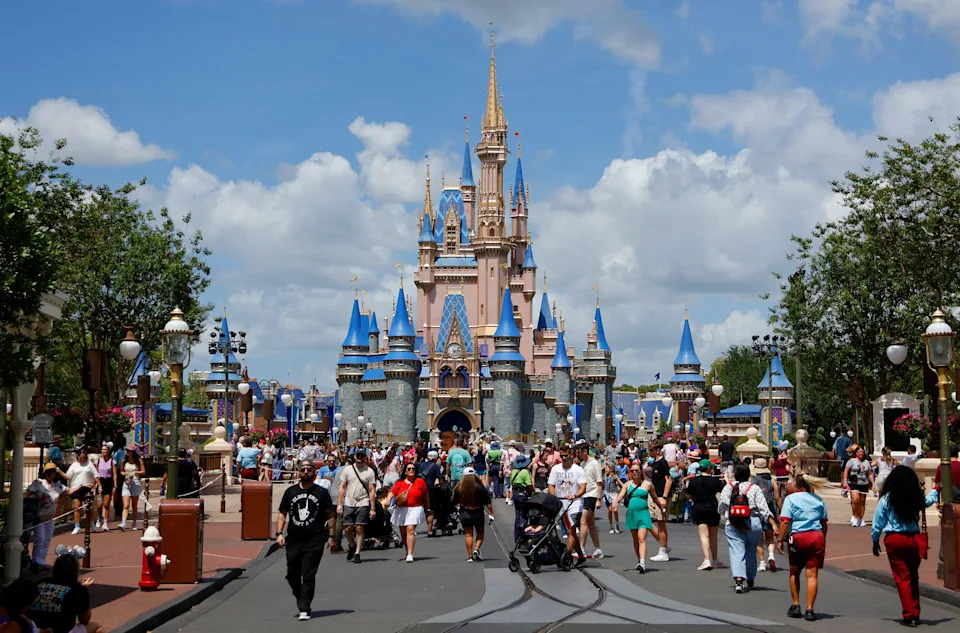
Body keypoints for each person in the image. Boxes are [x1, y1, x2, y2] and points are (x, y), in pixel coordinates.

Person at [871, 465, 940, 627]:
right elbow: (927, 501)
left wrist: (875, 540)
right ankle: (915, 610)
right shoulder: (914, 497)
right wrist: (935, 490)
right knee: (913, 575)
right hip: (913, 539)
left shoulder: (887, 499)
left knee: (902, 577)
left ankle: (909, 614)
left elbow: (878, 521)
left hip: (895, 539)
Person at [276, 460, 335, 621]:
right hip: (294, 540)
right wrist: (279, 533)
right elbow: (282, 513)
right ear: (299, 472)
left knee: (308, 573)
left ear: (314, 473)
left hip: (315, 540)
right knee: (292, 574)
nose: (306, 472)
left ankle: (305, 607)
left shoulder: (321, 493)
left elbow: (330, 514)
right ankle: (301, 597)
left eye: (309, 469)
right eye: (303, 469)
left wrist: (331, 536)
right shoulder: (290, 492)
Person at [718, 464, 778, 594]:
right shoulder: (754, 488)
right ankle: (750, 577)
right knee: (751, 549)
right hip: (753, 522)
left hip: (734, 522)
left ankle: (739, 580)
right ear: (748, 475)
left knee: (736, 550)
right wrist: (773, 524)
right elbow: (763, 509)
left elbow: (721, 507)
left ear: (735, 475)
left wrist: (727, 515)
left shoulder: (728, 487)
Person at [778, 473, 828, 622]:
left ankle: (795, 604)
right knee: (812, 574)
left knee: (794, 570)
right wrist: (823, 538)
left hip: (799, 536)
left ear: (797, 485)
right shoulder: (818, 500)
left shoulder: (791, 499)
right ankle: (810, 609)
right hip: (816, 536)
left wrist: (780, 539)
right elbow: (824, 522)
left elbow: (785, 521)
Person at [31, 553, 101, 633]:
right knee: (97, 627)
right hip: (63, 630)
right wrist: (84, 595)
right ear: (75, 571)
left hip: (35, 629)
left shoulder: (41, 582)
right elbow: (84, 620)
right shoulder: (79, 590)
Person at [612, 460, 657, 572]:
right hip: (632, 515)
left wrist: (662, 508)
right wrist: (615, 502)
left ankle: (642, 562)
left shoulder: (648, 485)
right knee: (635, 539)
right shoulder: (627, 485)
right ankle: (639, 559)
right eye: (632, 471)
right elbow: (620, 496)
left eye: (636, 470)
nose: (634, 472)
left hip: (643, 514)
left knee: (641, 538)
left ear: (641, 472)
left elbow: (655, 498)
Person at [548, 447, 588, 566]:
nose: (564, 458)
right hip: (561, 502)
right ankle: (581, 556)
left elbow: (582, 488)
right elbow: (551, 485)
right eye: (562, 456)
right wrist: (553, 495)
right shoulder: (555, 469)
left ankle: (567, 555)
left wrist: (574, 495)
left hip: (575, 503)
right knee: (572, 532)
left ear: (571, 455)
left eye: (566, 455)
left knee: (571, 529)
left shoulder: (578, 470)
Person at [337, 451, 377, 564]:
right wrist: (339, 504)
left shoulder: (369, 471)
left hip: (363, 501)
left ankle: (357, 552)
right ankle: (352, 545)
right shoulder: (347, 470)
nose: (359, 458)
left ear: (365, 458)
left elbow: (371, 490)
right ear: (354, 457)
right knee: (347, 527)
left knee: (359, 527)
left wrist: (372, 508)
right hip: (349, 501)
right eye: (358, 456)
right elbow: (342, 487)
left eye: (362, 456)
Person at [384, 462, 430, 562]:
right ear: (405, 471)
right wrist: (387, 500)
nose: (411, 470)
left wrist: (428, 509)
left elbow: (426, 496)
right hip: (402, 509)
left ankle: (410, 554)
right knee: (403, 532)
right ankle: (407, 548)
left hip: (416, 508)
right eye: (409, 469)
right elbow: (392, 492)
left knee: (410, 529)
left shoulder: (420, 482)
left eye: (413, 468)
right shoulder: (399, 483)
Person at [26, 464, 67, 570]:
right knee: (40, 539)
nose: (49, 474)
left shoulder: (57, 485)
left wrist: (82, 486)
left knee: (47, 540)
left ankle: (41, 560)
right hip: (39, 517)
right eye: (47, 471)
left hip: (50, 517)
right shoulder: (39, 483)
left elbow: (69, 489)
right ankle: (36, 561)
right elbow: (27, 493)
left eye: (52, 472)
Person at [686, 459, 725, 570]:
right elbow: (723, 490)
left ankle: (706, 560)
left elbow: (689, 495)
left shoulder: (693, 481)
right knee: (713, 536)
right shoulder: (715, 481)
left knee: (704, 535)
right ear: (708, 468)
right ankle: (715, 559)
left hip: (699, 508)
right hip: (713, 508)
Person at [451, 467, 494, 562]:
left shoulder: (459, 488)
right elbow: (488, 502)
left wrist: (456, 508)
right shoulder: (479, 487)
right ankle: (477, 548)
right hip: (478, 512)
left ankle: (470, 556)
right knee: (480, 532)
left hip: (465, 512)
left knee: (468, 535)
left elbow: (453, 501)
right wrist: (492, 513)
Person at [750, 457, 780, 572]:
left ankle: (762, 563)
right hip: (770, 509)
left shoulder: (752, 481)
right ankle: (771, 555)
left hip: (756, 511)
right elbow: (777, 497)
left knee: (759, 539)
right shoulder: (771, 480)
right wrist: (781, 510)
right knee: (770, 537)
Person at [577, 444, 604, 559]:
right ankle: (598, 549)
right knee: (591, 523)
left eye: (579, 452)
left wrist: (599, 499)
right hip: (584, 495)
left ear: (585, 451)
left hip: (591, 495)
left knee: (583, 521)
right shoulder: (583, 464)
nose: (578, 454)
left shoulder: (594, 463)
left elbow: (599, 482)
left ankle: (581, 549)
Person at [647, 442, 672, 562]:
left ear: (657, 450)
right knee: (647, 520)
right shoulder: (655, 463)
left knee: (661, 523)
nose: (649, 453)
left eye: (651, 450)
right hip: (655, 495)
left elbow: (668, 480)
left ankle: (663, 551)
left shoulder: (662, 462)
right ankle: (664, 545)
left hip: (661, 496)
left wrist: (664, 497)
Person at [65, 450, 99, 536]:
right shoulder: (74, 465)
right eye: (80, 458)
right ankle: (77, 526)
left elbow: (96, 476)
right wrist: (59, 472)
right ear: (78, 457)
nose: (82, 459)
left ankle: (92, 523)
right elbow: (68, 476)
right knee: (77, 506)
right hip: (76, 488)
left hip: (87, 488)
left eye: (84, 458)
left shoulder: (90, 464)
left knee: (89, 507)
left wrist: (99, 486)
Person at [842, 445, 874, 527]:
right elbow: (846, 470)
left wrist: (873, 484)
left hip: (864, 483)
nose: (861, 453)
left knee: (862, 502)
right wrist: (845, 481)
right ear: (856, 453)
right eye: (860, 452)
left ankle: (860, 518)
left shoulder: (866, 462)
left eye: (863, 452)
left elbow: (870, 473)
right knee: (855, 500)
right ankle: (855, 517)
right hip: (854, 483)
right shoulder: (851, 461)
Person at [119, 447, 146, 531]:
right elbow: (121, 471)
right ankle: (123, 523)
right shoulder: (124, 461)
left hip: (135, 483)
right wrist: (125, 474)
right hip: (126, 483)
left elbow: (143, 471)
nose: (128, 452)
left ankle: (134, 522)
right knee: (126, 505)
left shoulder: (138, 461)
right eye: (127, 451)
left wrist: (135, 472)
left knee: (134, 505)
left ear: (133, 452)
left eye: (129, 451)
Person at [418, 451, 444, 537]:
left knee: (420, 509)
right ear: (435, 458)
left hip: (420, 489)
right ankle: (430, 530)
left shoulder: (421, 465)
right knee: (430, 510)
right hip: (429, 489)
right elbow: (440, 479)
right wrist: (441, 486)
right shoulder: (435, 466)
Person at [509, 455, 534, 542]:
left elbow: (511, 483)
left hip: (516, 493)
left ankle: (516, 537)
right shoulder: (525, 472)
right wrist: (533, 491)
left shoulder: (513, 471)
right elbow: (529, 484)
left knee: (517, 515)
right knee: (524, 515)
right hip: (523, 494)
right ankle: (523, 536)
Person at [93, 445, 116, 532]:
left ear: (108, 451)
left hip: (109, 483)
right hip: (100, 484)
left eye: (105, 449)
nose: (104, 451)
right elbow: (95, 474)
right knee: (99, 504)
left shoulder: (112, 461)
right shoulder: (98, 461)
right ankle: (99, 518)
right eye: (102, 449)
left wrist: (115, 486)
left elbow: (114, 474)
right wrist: (94, 485)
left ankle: (105, 522)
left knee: (106, 504)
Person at [603, 461, 623, 534]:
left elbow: (621, 484)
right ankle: (611, 526)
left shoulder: (614, 476)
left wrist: (624, 489)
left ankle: (617, 525)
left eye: (606, 468)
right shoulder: (605, 476)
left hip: (614, 494)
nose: (605, 470)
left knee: (615, 510)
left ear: (611, 469)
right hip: (607, 494)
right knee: (609, 510)